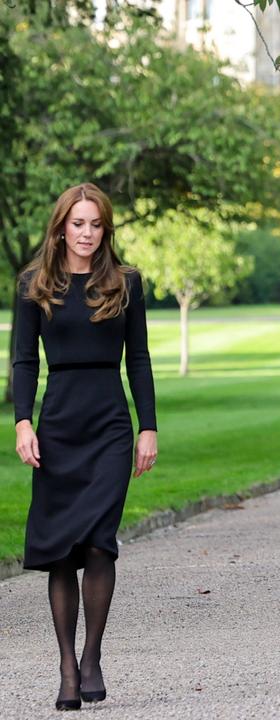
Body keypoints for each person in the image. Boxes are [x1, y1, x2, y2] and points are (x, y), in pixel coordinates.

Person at [13, 183, 158, 710]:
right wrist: (23, 422)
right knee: (61, 551)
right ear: (61, 227)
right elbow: (24, 360)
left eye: (96, 224)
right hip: (58, 426)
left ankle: (92, 656)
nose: (87, 234)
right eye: (78, 224)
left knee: (99, 542)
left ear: (106, 228)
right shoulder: (35, 284)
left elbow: (138, 358)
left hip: (110, 427)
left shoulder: (126, 283)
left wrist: (149, 426)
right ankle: (67, 666)